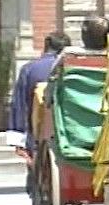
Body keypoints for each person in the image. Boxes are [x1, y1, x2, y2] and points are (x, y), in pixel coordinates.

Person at [6, 31, 71, 193]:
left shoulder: (30, 69)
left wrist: (18, 141)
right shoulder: (75, 68)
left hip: (39, 137)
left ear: (46, 46)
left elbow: (20, 105)